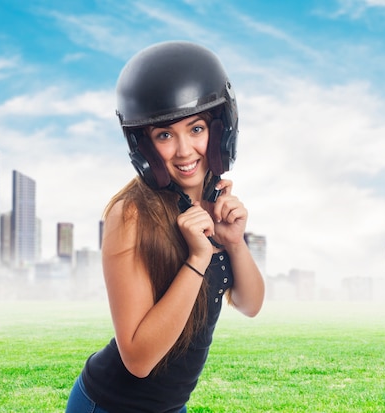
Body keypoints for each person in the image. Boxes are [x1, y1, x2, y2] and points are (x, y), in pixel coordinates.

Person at [65, 41, 265, 413]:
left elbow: (250, 305)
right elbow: (138, 360)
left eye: (197, 128)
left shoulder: (213, 203)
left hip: (171, 407)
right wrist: (197, 258)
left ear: (220, 129)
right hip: (113, 405)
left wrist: (234, 244)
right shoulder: (131, 214)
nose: (185, 150)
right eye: (165, 135)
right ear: (145, 146)